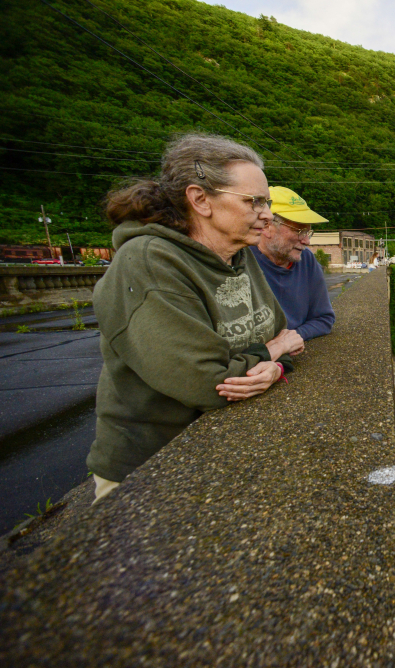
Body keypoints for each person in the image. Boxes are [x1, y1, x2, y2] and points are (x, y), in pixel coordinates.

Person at [86, 133, 303, 501]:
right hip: (149, 471)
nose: (267, 214)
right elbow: (208, 382)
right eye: (255, 202)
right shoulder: (148, 262)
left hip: (222, 449)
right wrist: (270, 354)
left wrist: (277, 364)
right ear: (200, 199)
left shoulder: (238, 255)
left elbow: (283, 335)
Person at [250, 186, 335, 341]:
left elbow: (324, 319)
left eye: (308, 232)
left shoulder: (307, 260)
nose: (306, 241)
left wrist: (290, 339)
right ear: (267, 226)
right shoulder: (241, 260)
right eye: (299, 231)